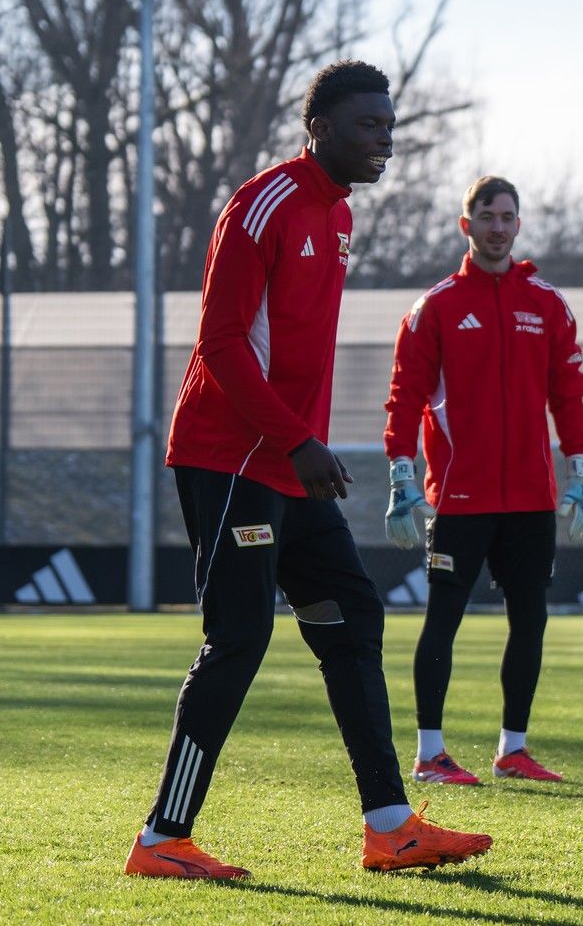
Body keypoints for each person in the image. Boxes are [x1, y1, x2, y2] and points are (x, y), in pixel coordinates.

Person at [125, 60, 493, 880]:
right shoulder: (264, 205)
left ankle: (391, 826)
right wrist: (296, 439)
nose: (384, 140)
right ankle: (161, 839)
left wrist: (298, 447)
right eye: (369, 125)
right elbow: (221, 345)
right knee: (239, 636)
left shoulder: (338, 215)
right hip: (231, 459)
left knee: (352, 616)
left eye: (390, 126)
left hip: (289, 467)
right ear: (320, 128)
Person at [383, 174, 583, 787]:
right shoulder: (436, 307)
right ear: (466, 225)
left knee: (530, 619)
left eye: (507, 217)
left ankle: (513, 750)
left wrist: (579, 469)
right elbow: (404, 398)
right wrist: (400, 473)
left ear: (518, 225)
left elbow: (569, 395)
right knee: (443, 618)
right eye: (487, 216)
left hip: (530, 496)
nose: (498, 228)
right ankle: (430, 754)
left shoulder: (547, 305)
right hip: (460, 496)